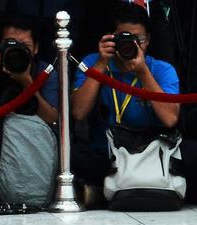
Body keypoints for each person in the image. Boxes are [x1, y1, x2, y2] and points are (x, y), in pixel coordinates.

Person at [71, 1, 179, 195]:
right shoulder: (91, 62)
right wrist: (102, 63)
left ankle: (100, 193)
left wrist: (143, 72)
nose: (134, 45)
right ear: (110, 38)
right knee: (73, 157)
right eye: (125, 38)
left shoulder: (161, 69)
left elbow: (170, 119)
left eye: (140, 39)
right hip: (107, 154)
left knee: (194, 153)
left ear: (149, 40)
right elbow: (78, 112)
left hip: (150, 153)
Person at [0, 13, 59, 206]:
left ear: (37, 48)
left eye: (24, 46)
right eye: (10, 44)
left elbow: (53, 119)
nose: (17, 51)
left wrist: (28, 84)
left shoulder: (45, 71)